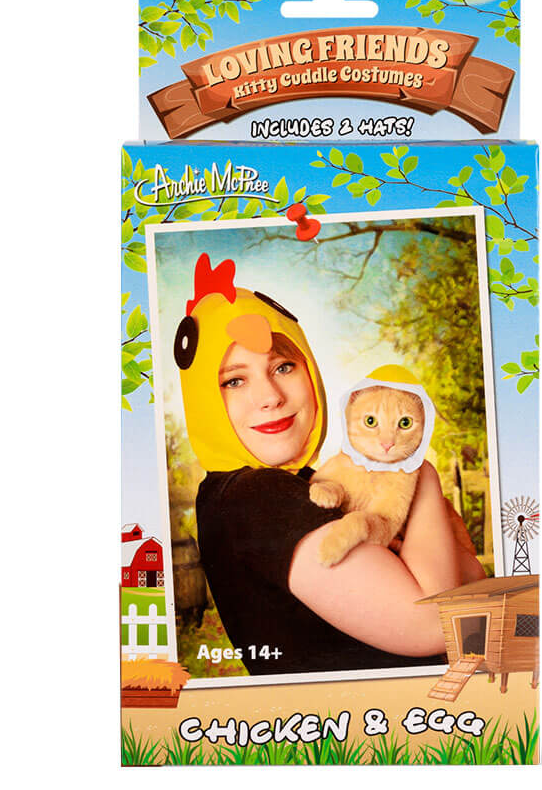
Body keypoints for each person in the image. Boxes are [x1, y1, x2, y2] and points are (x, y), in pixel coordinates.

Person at [174, 253, 485, 675]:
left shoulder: (312, 483)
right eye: (234, 380)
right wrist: (418, 470)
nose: (270, 397)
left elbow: (473, 579)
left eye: (283, 366)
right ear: (203, 400)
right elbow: (437, 624)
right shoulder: (255, 496)